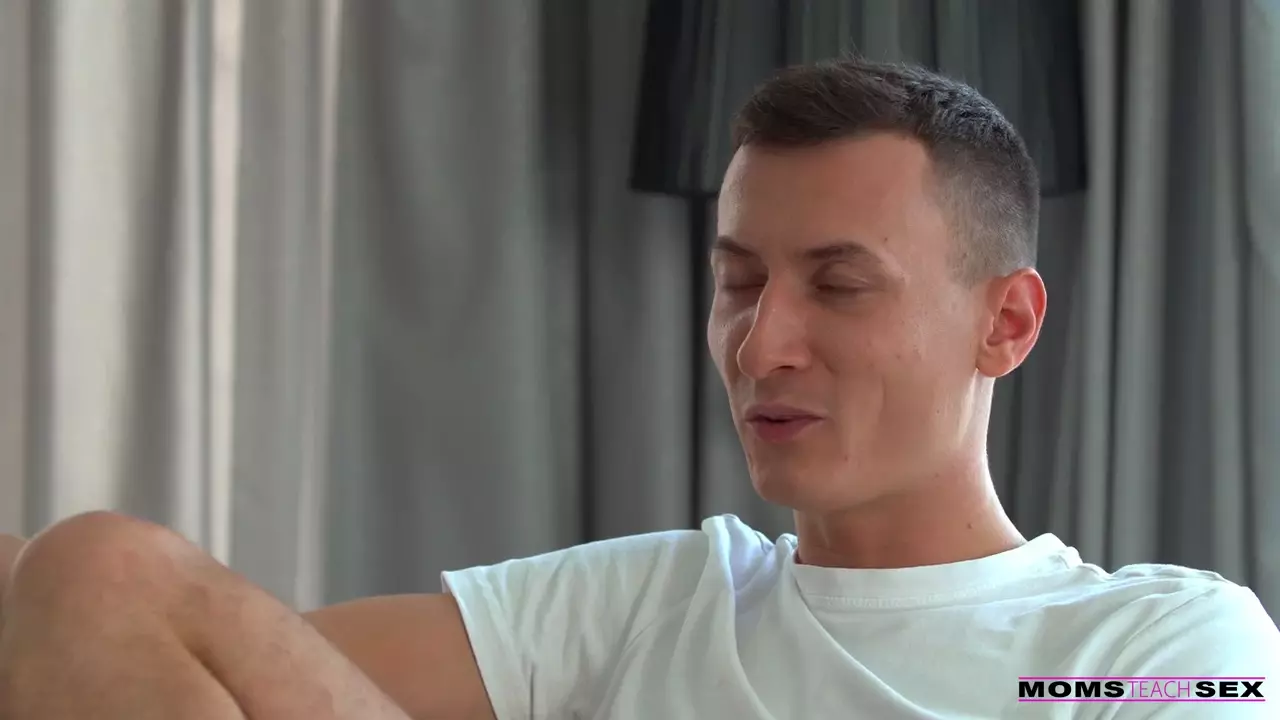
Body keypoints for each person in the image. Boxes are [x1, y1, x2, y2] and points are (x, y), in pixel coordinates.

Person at [1, 55, 1277, 720]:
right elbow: (162, 654)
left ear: (1004, 324)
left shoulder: (1149, 648)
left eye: (838, 285)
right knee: (90, 575)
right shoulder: (654, 602)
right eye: (738, 282)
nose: (761, 345)